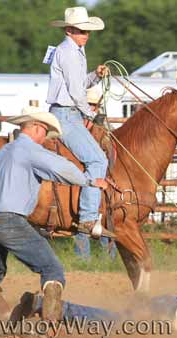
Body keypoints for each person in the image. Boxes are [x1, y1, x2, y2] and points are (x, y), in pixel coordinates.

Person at [0, 107, 105, 322]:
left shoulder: (6, 151)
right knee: (52, 268)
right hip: (10, 221)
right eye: (45, 132)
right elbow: (61, 168)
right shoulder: (31, 151)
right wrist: (91, 181)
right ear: (36, 128)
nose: (46, 137)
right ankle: (51, 320)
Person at [10, 268, 177, 331]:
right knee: (115, 324)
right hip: (176, 313)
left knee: (116, 322)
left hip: (170, 303)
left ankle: (46, 305)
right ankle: (47, 306)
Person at [47, 6, 113, 239]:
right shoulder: (69, 52)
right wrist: (90, 114)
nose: (86, 34)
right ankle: (87, 218)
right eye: (80, 30)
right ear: (69, 30)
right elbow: (76, 92)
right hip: (67, 115)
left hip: (68, 112)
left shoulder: (72, 51)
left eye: (87, 31)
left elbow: (77, 84)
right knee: (97, 159)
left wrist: (95, 75)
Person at [74, 85, 117, 261]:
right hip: (82, 179)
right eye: (88, 104)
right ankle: (83, 259)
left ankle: (108, 259)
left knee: (103, 216)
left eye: (93, 105)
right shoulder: (76, 128)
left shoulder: (102, 132)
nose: (91, 108)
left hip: (98, 181)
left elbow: (111, 156)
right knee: (85, 216)